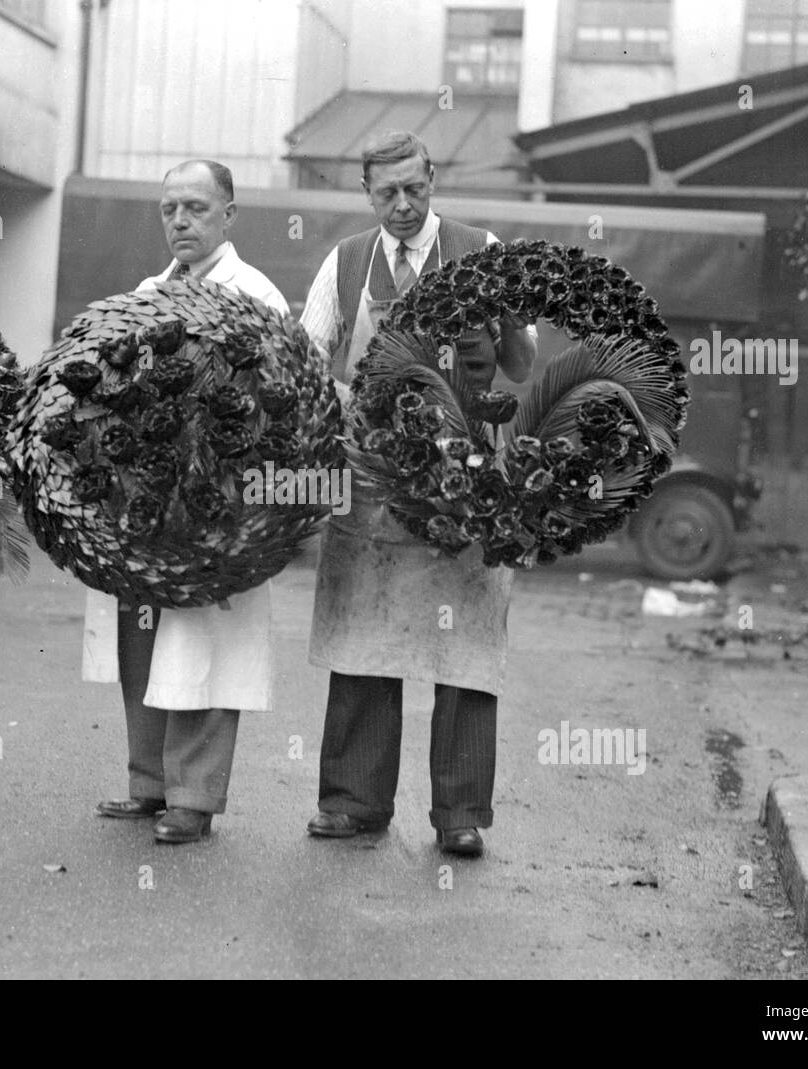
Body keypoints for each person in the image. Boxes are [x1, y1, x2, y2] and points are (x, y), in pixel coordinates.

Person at [299, 130, 537, 857]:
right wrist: (341, 405)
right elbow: (306, 361)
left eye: (415, 188)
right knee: (363, 636)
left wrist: (492, 330)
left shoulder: (479, 246)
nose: (402, 205)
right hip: (372, 482)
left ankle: (459, 813)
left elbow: (523, 367)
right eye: (386, 193)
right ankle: (354, 804)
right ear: (367, 195)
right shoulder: (344, 263)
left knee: (464, 646)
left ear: (433, 179)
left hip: (463, 481)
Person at [84, 160, 287, 844]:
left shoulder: (254, 296)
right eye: (169, 207)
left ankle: (193, 798)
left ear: (229, 214)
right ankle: (148, 781)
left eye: (196, 207)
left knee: (203, 641)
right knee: (142, 634)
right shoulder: (145, 293)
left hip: (216, 494)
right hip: (147, 491)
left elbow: (278, 404)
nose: (179, 220)